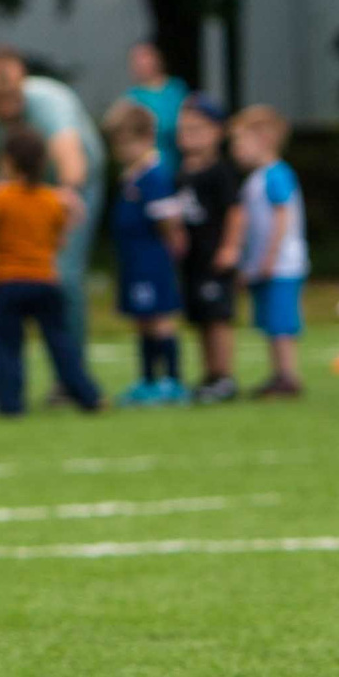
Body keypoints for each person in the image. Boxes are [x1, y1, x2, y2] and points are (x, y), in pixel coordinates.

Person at [0, 45, 106, 393]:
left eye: (13, 91)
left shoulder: (50, 102)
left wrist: (64, 196)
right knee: (1, 277)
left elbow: (71, 160)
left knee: (62, 276)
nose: (7, 101)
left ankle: (71, 380)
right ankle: (5, 373)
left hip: (68, 188)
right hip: (12, 188)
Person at [0, 126, 103, 416]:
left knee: (7, 345)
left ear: (7, 162)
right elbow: (61, 240)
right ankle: (88, 397)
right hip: (44, 280)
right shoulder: (52, 200)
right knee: (60, 342)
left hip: (6, 281)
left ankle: (10, 404)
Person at [99, 99, 188, 405]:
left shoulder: (154, 175)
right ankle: (148, 380)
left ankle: (172, 381)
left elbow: (168, 220)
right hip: (133, 261)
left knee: (159, 317)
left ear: (146, 138)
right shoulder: (132, 175)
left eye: (126, 144)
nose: (121, 152)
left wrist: (171, 245)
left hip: (151, 260)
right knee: (142, 319)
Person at [230, 104, 309, 398]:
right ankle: (278, 374)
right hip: (265, 263)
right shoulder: (257, 178)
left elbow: (281, 217)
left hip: (281, 265)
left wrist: (270, 257)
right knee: (269, 322)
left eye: (240, 141)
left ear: (263, 140)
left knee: (281, 322)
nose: (235, 149)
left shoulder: (276, 175)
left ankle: (288, 376)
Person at [172, 94, 243, 403]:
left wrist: (230, 247)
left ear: (218, 132)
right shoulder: (182, 172)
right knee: (200, 318)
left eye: (198, 128)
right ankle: (209, 375)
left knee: (217, 317)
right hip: (192, 259)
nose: (190, 135)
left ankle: (225, 375)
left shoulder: (221, 172)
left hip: (214, 257)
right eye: (185, 129)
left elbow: (236, 211)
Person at [124, 41, 190, 182]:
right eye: (136, 60)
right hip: (148, 161)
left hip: (179, 156)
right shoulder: (132, 97)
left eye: (145, 57)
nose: (141, 64)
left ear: (157, 59)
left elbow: (188, 118)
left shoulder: (176, 88)